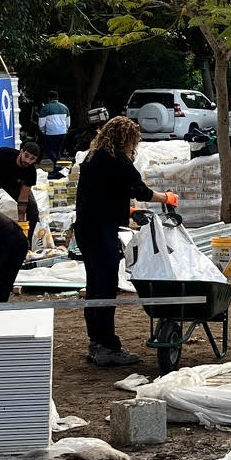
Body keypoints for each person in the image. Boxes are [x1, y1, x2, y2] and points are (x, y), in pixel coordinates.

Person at [74, 116, 153, 368]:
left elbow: (103, 193)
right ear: (127, 139)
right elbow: (140, 190)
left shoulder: (92, 157)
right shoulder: (117, 159)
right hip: (101, 231)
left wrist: (125, 210)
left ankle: (96, 341)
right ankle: (107, 345)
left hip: (86, 228)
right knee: (105, 287)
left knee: (94, 285)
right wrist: (166, 198)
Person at [0, 141, 42, 230]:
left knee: (32, 207)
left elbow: (23, 199)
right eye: (26, 156)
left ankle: (29, 235)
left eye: (32, 159)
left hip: (13, 183)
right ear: (21, 152)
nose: (27, 161)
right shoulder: (4, 153)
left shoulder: (31, 172)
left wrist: (21, 222)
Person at [36, 91, 72, 179]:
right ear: (57, 97)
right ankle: (57, 170)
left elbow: (41, 124)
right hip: (63, 133)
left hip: (50, 133)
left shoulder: (45, 108)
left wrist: (44, 131)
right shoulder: (64, 107)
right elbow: (68, 122)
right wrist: (65, 129)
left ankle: (58, 166)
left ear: (49, 98)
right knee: (57, 150)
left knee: (48, 150)